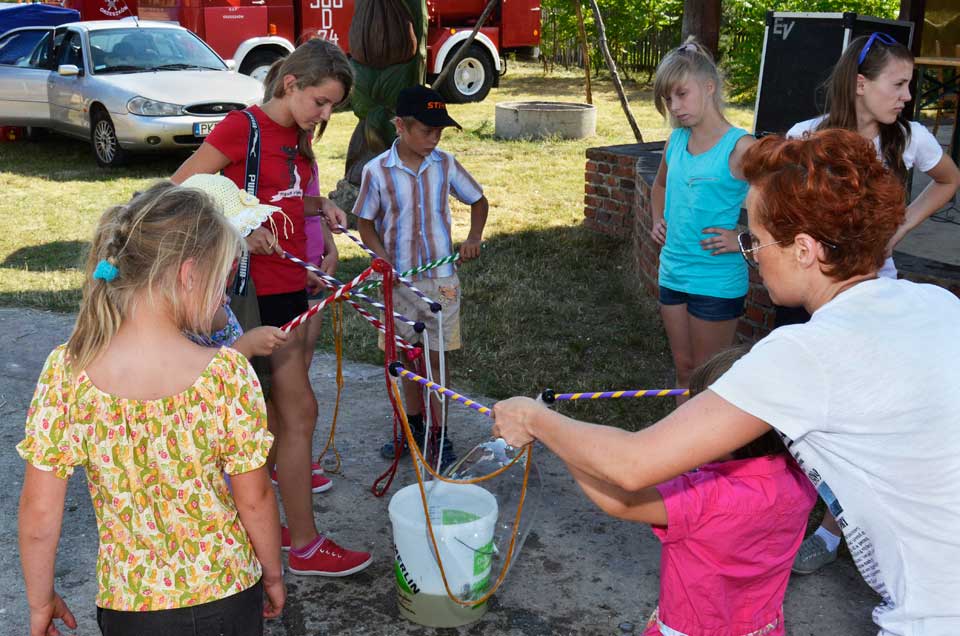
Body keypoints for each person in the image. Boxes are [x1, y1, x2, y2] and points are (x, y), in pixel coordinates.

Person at [492, 129, 960, 635]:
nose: (752, 255)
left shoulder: (806, 354)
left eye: (755, 239)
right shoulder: (936, 303)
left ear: (803, 249)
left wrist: (534, 417)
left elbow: (631, 466)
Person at [18, 182, 285, 636]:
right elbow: (255, 497)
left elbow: (40, 513)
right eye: (223, 279)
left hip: (130, 607)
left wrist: (40, 599)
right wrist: (273, 573)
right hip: (229, 592)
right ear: (188, 275)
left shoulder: (67, 372)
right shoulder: (227, 373)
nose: (225, 296)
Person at [172, 38, 371, 576]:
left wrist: (320, 205)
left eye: (332, 106)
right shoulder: (243, 128)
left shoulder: (299, 136)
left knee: (279, 412)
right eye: (321, 102)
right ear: (291, 85)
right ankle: (303, 545)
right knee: (293, 409)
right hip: (251, 290)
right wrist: (240, 230)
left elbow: (277, 199)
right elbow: (181, 190)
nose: (325, 114)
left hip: (291, 281)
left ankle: (267, 521)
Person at [783, 33, 960, 572]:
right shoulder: (805, 136)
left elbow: (947, 181)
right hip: (810, 295)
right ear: (860, 85)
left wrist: (897, 229)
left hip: (870, 296)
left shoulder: (909, 138)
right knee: (808, 413)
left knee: (862, 416)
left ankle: (838, 533)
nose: (908, 95)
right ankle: (789, 512)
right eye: (899, 84)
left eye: (909, 84)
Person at [573, 345, 816, 635]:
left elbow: (622, 500)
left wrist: (551, 434)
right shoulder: (804, 477)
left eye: (701, 415)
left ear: (730, 435)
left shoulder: (706, 495)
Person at [354, 84, 489, 470]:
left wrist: (473, 238)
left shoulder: (444, 164)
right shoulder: (376, 171)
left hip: (441, 282)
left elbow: (477, 200)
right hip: (399, 286)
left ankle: (439, 435)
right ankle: (413, 430)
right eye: (426, 131)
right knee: (408, 362)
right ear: (400, 126)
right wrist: (381, 261)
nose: (434, 140)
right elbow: (365, 222)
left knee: (435, 364)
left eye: (439, 133)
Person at [649, 40, 756, 402]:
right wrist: (655, 218)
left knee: (708, 380)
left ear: (709, 87)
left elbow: (782, 207)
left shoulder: (741, 147)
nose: (675, 107)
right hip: (673, 271)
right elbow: (660, 184)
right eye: (668, 100)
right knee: (682, 369)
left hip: (716, 279)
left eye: (682, 94)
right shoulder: (675, 141)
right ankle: (684, 457)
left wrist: (745, 236)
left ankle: (712, 458)